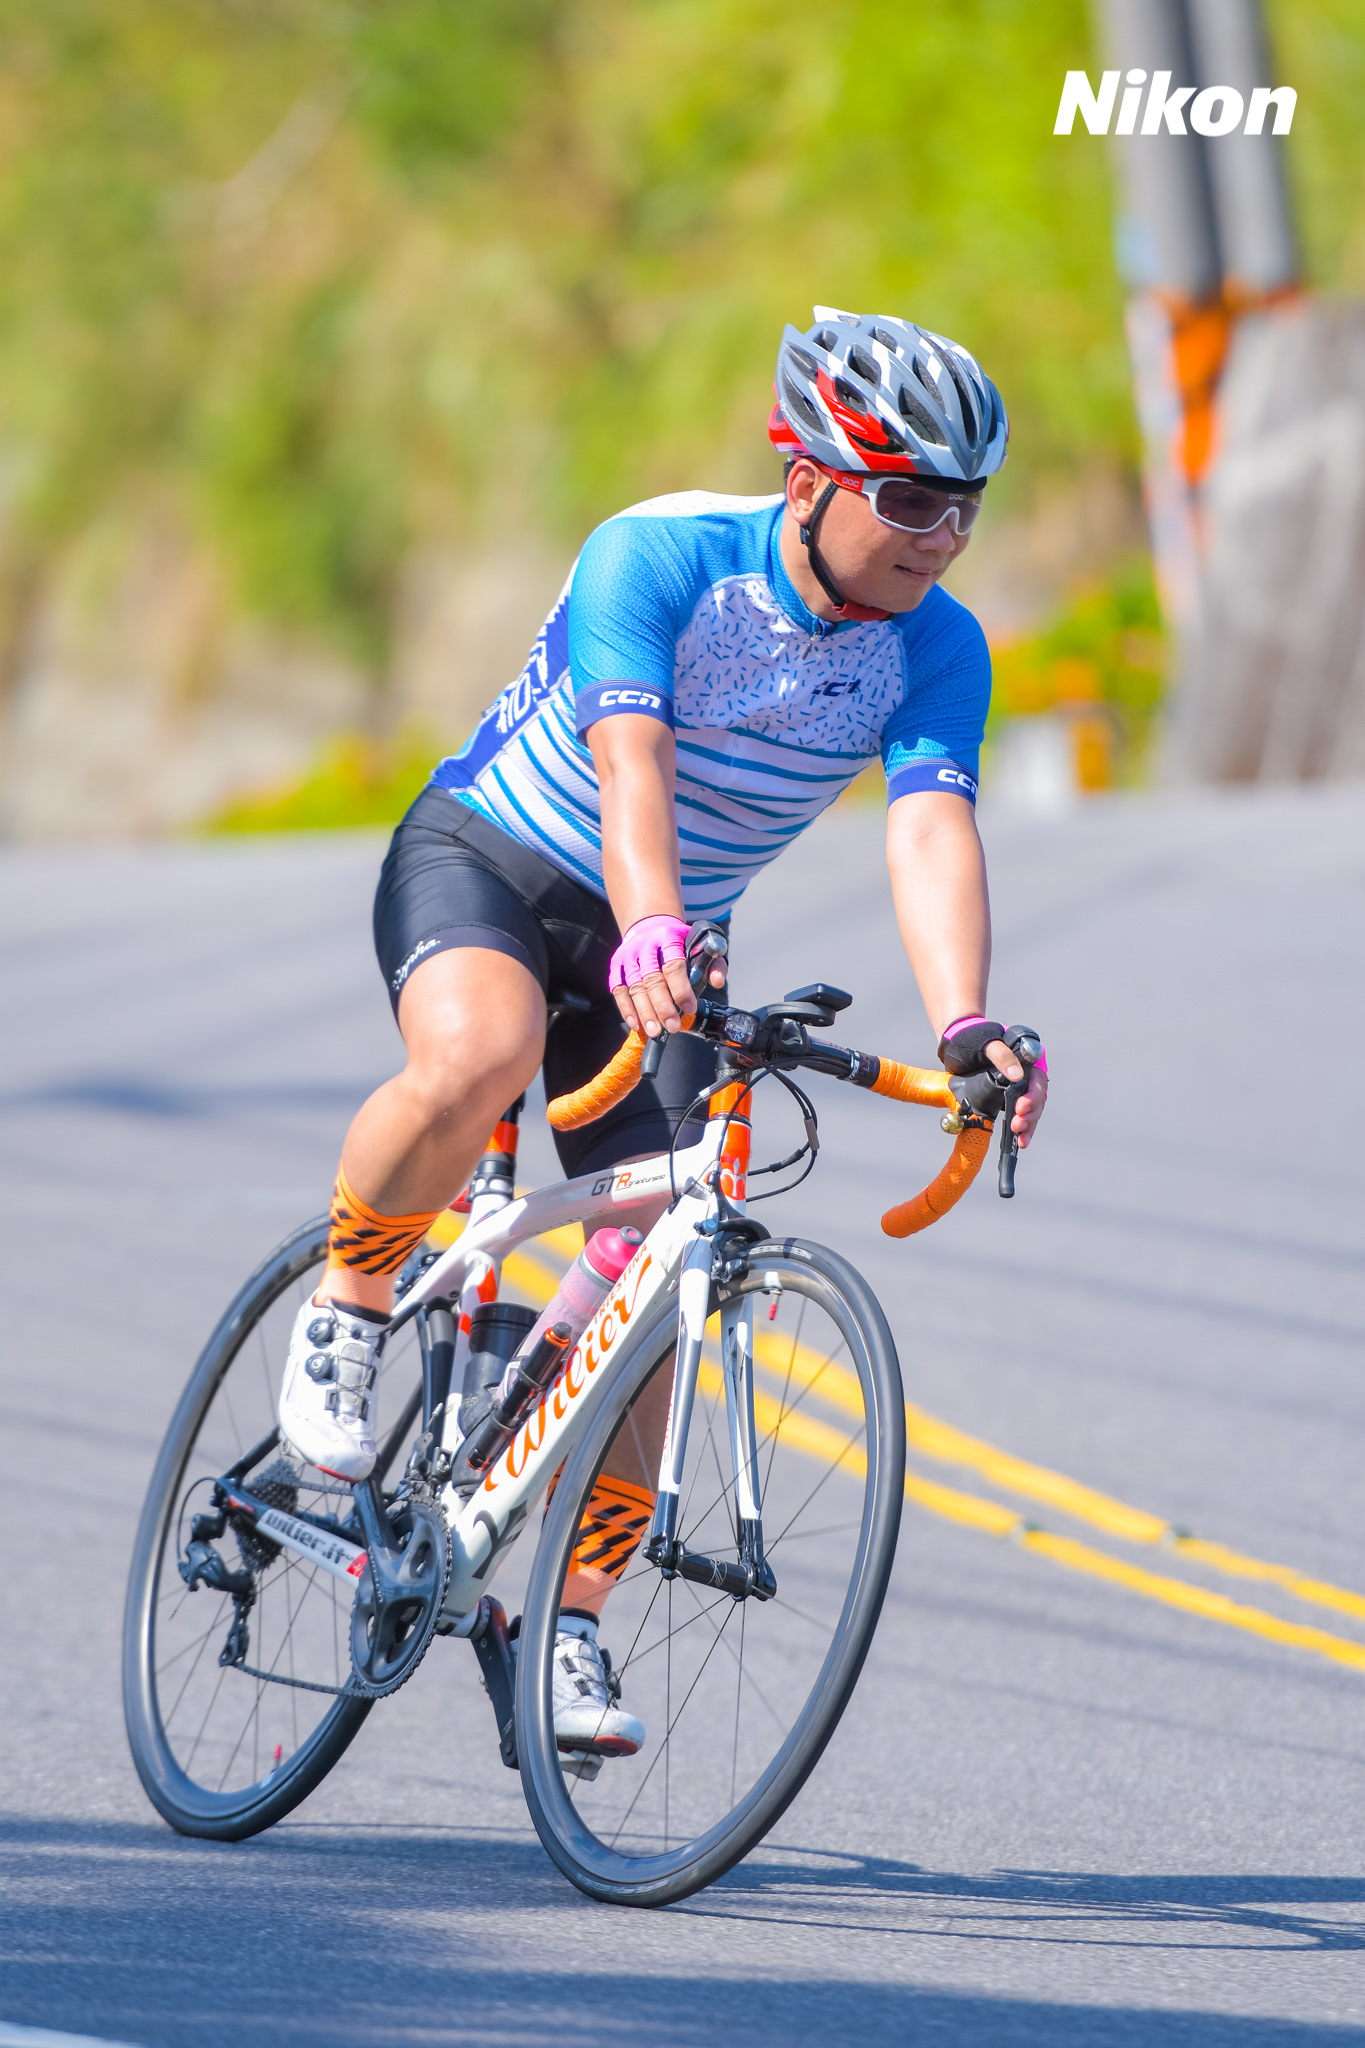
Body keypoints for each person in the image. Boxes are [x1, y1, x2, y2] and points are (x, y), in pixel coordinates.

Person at [277, 305, 1048, 1762]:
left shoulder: (939, 648)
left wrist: (966, 1023)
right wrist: (646, 925)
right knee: (483, 1052)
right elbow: (631, 760)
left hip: (669, 934)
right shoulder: (663, 553)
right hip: (498, 861)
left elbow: (930, 829)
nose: (940, 536)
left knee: (663, 1267)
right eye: (906, 499)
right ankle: (349, 1310)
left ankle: (560, 1622)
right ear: (807, 477)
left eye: (963, 505)